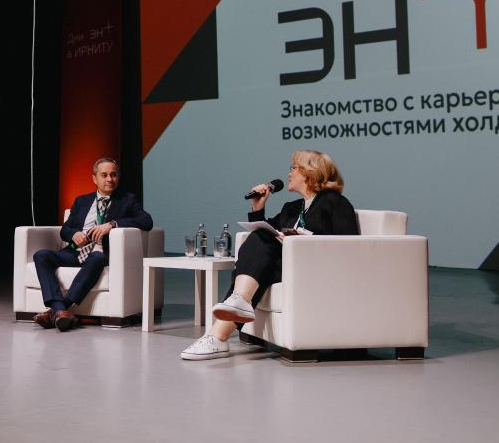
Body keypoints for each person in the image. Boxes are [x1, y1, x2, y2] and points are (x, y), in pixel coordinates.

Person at [181, 150, 359, 359]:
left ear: (310, 172)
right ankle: (225, 324)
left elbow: (348, 246)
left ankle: (220, 332)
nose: (289, 173)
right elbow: (267, 232)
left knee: (260, 254)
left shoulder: (335, 202)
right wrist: (258, 208)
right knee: (259, 239)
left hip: (314, 267)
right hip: (284, 266)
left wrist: (303, 241)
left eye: (294, 168)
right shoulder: (292, 208)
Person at [32, 157, 153, 331]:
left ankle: (58, 310)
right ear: (94, 178)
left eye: (113, 175)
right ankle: (60, 310)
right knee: (41, 255)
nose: (110, 179)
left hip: (100, 254)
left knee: (97, 257)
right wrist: (74, 235)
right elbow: (65, 229)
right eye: (104, 175)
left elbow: (146, 221)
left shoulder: (127, 200)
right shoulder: (81, 201)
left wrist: (112, 224)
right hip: (75, 253)